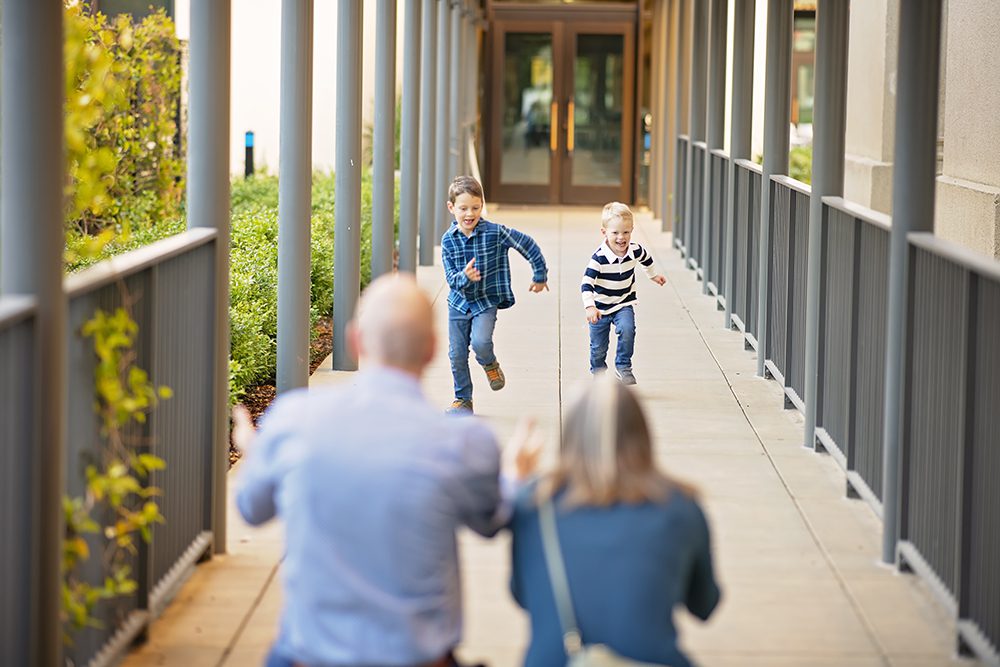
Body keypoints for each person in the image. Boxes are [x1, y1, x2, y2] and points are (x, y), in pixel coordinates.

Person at [233, 273, 503, 667]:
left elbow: (250, 508)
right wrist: (514, 476)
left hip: (309, 657)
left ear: (354, 340)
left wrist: (256, 453)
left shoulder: (294, 423)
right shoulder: (464, 443)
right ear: (431, 350)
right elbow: (491, 519)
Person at [508, 376, 721, 667]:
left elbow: (522, 594)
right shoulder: (680, 507)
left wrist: (516, 483)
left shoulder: (534, 504)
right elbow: (704, 605)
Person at [442, 175, 548, 413]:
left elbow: (527, 244)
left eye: (476, 207)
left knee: (481, 342)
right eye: (463, 208)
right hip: (458, 304)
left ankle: (489, 363)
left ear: (482, 205)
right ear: (451, 208)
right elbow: (451, 279)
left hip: (485, 301)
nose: (470, 214)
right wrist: (464, 277)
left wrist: (539, 274)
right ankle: (463, 399)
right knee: (457, 354)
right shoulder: (448, 241)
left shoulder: (495, 232)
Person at [581, 202, 666, 385]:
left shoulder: (635, 250)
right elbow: (586, 283)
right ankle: (598, 373)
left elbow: (647, 259)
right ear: (604, 232)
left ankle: (623, 366)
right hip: (600, 308)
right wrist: (590, 307)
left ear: (632, 230)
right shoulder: (598, 258)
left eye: (626, 232)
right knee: (598, 347)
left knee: (628, 330)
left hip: (623, 303)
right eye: (615, 233)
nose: (621, 237)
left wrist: (653, 275)